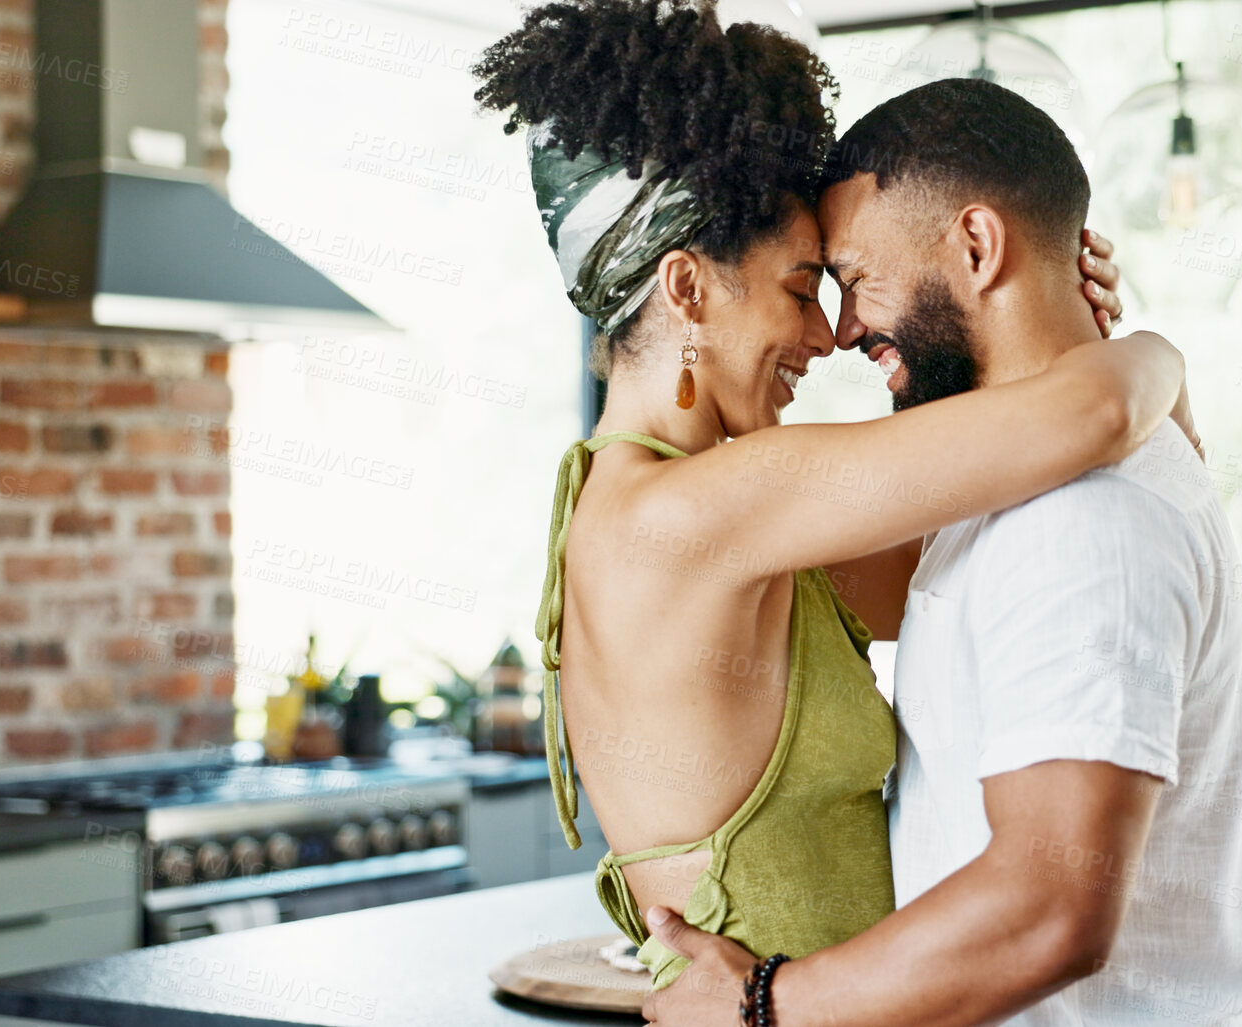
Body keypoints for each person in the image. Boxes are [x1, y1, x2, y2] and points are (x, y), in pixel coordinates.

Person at [473, 0, 1198, 991]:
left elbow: (990, 541)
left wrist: (1051, 321)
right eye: (798, 285)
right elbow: (1098, 417)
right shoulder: (696, 513)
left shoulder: (697, 514)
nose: (823, 337)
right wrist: (1153, 349)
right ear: (686, 290)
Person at [643, 79, 1242, 1027]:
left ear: (978, 248)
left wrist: (757, 1007)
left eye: (856, 279)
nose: (845, 332)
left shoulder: (1081, 518)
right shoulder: (1006, 490)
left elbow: (1049, 908)